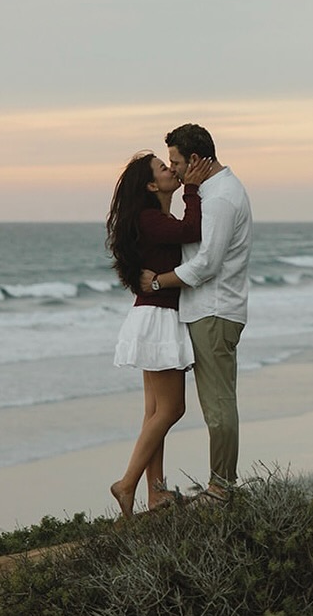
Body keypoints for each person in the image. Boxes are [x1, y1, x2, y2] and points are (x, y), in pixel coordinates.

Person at [139, 123, 252, 500]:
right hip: (206, 310)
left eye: (175, 162)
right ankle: (217, 485)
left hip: (214, 311)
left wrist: (158, 283)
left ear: (195, 159)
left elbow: (206, 264)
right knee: (214, 402)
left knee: (218, 404)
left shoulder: (220, 197)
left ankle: (221, 488)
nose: (173, 169)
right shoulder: (210, 191)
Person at [107, 149, 212, 518]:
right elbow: (192, 231)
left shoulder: (155, 219)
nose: (172, 171)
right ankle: (126, 483)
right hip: (158, 318)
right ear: (152, 185)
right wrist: (193, 190)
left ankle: (156, 493)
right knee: (172, 409)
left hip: (152, 316)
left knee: (154, 412)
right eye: (164, 168)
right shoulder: (151, 219)